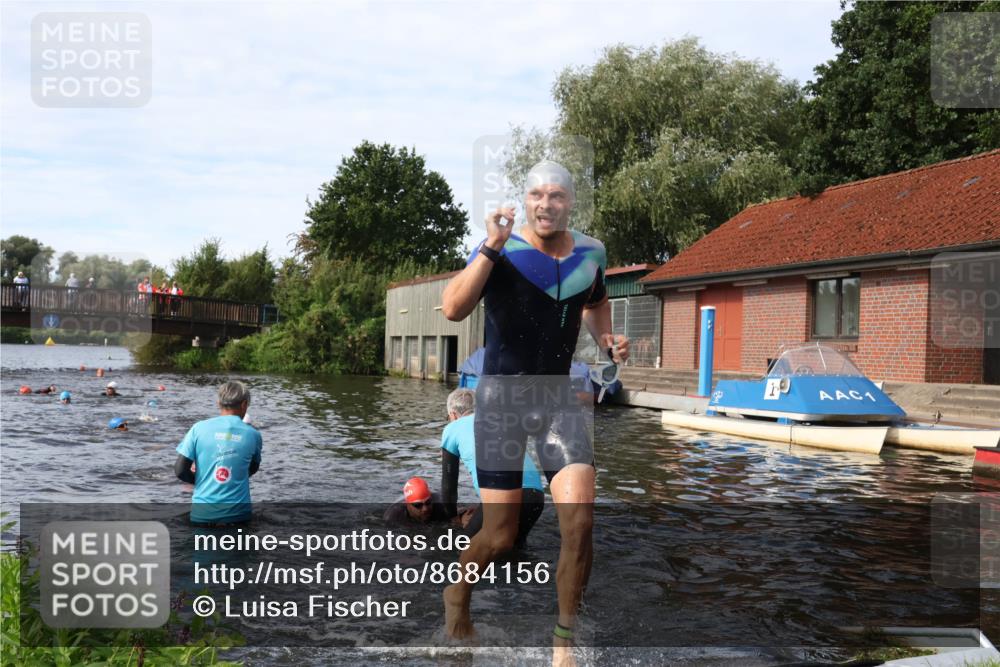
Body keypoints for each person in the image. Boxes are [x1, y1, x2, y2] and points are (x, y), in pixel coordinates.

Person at [440, 160, 629, 662]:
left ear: (571, 202)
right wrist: (490, 247)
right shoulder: (502, 250)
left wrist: (607, 340)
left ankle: (562, 647)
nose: (546, 204)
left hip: (557, 399)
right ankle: (458, 592)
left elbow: (595, 302)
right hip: (501, 400)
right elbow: (454, 307)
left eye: (557, 196)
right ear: (525, 201)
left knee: (580, 523)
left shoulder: (592, 253)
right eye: (537, 196)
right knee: (499, 534)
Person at [441, 388, 545, 547]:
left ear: (453, 415)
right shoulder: (499, 419)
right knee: (514, 549)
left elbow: (448, 486)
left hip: (503, 496)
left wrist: (452, 519)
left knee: (461, 547)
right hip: (535, 495)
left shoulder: (452, 428)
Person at [174, 381, 262, 525]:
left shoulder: (198, 429)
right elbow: (252, 469)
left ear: (218, 402)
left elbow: (180, 470)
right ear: (244, 404)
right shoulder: (253, 435)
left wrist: (203, 481)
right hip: (239, 516)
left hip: (202, 516)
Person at [382, 477, 451, 525]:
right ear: (408, 505)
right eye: (418, 505)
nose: (425, 509)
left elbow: (459, 514)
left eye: (428, 502)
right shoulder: (393, 516)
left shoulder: (441, 505)